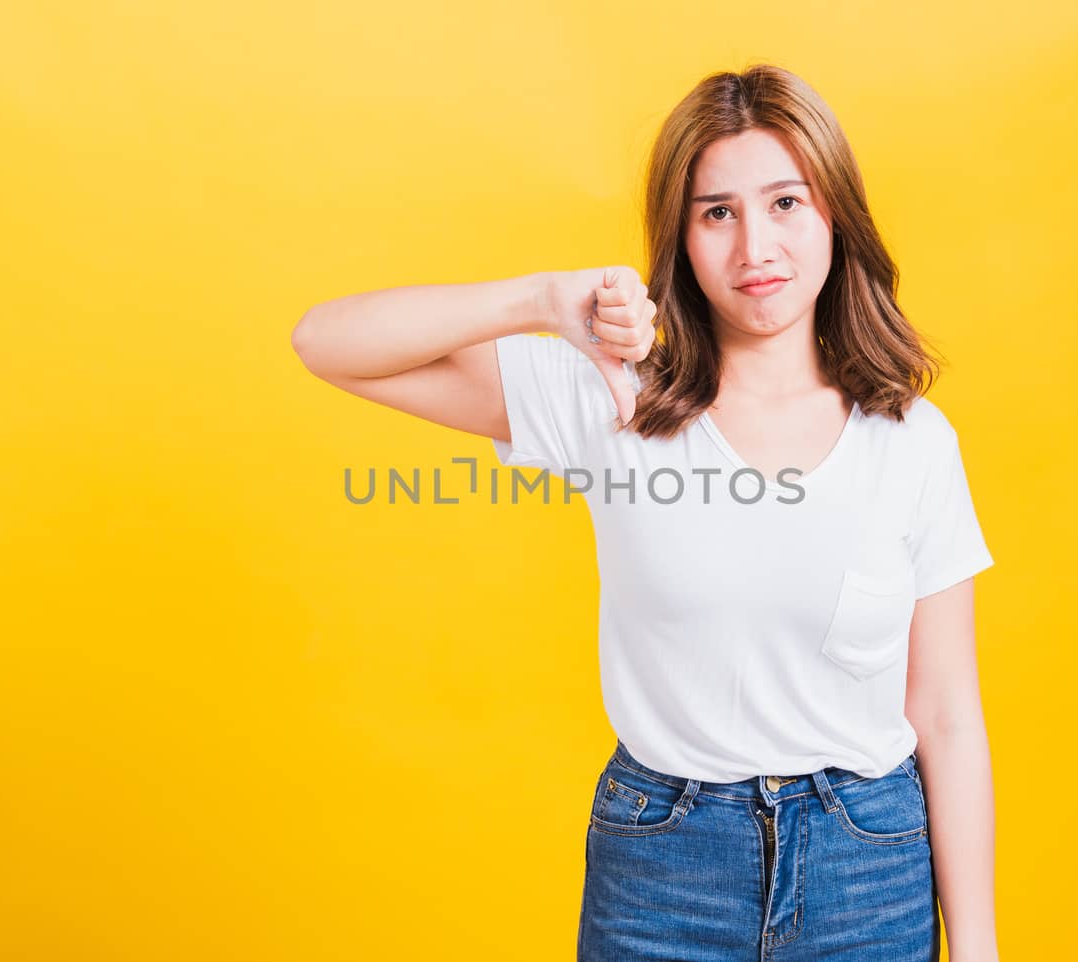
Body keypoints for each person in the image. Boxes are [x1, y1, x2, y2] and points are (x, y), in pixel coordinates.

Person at [293, 63, 999, 962]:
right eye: (718, 213)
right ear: (681, 238)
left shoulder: (913, 440)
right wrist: (545, 301)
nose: (755, 249)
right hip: (666, 866)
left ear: (836, 216)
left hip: (868, 866)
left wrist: (977, 943)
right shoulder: (613, 398)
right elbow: (329, 343)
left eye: (786, 202)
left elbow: (944, 711)